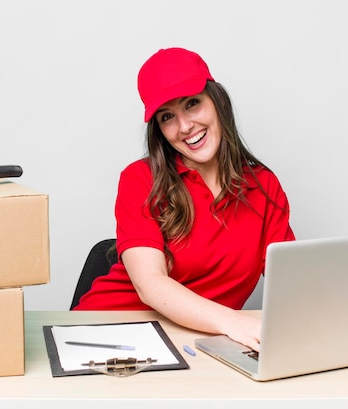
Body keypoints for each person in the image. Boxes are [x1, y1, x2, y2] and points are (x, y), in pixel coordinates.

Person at [74, 47, 295, 351]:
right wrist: (234, 321)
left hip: (194, 344)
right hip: (105, 334)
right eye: (168, 117)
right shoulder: (141, 179)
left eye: (192, 104)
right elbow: (149, 284)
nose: (185, 127)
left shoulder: (264, 187)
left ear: (218, 102)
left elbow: (293, 282)